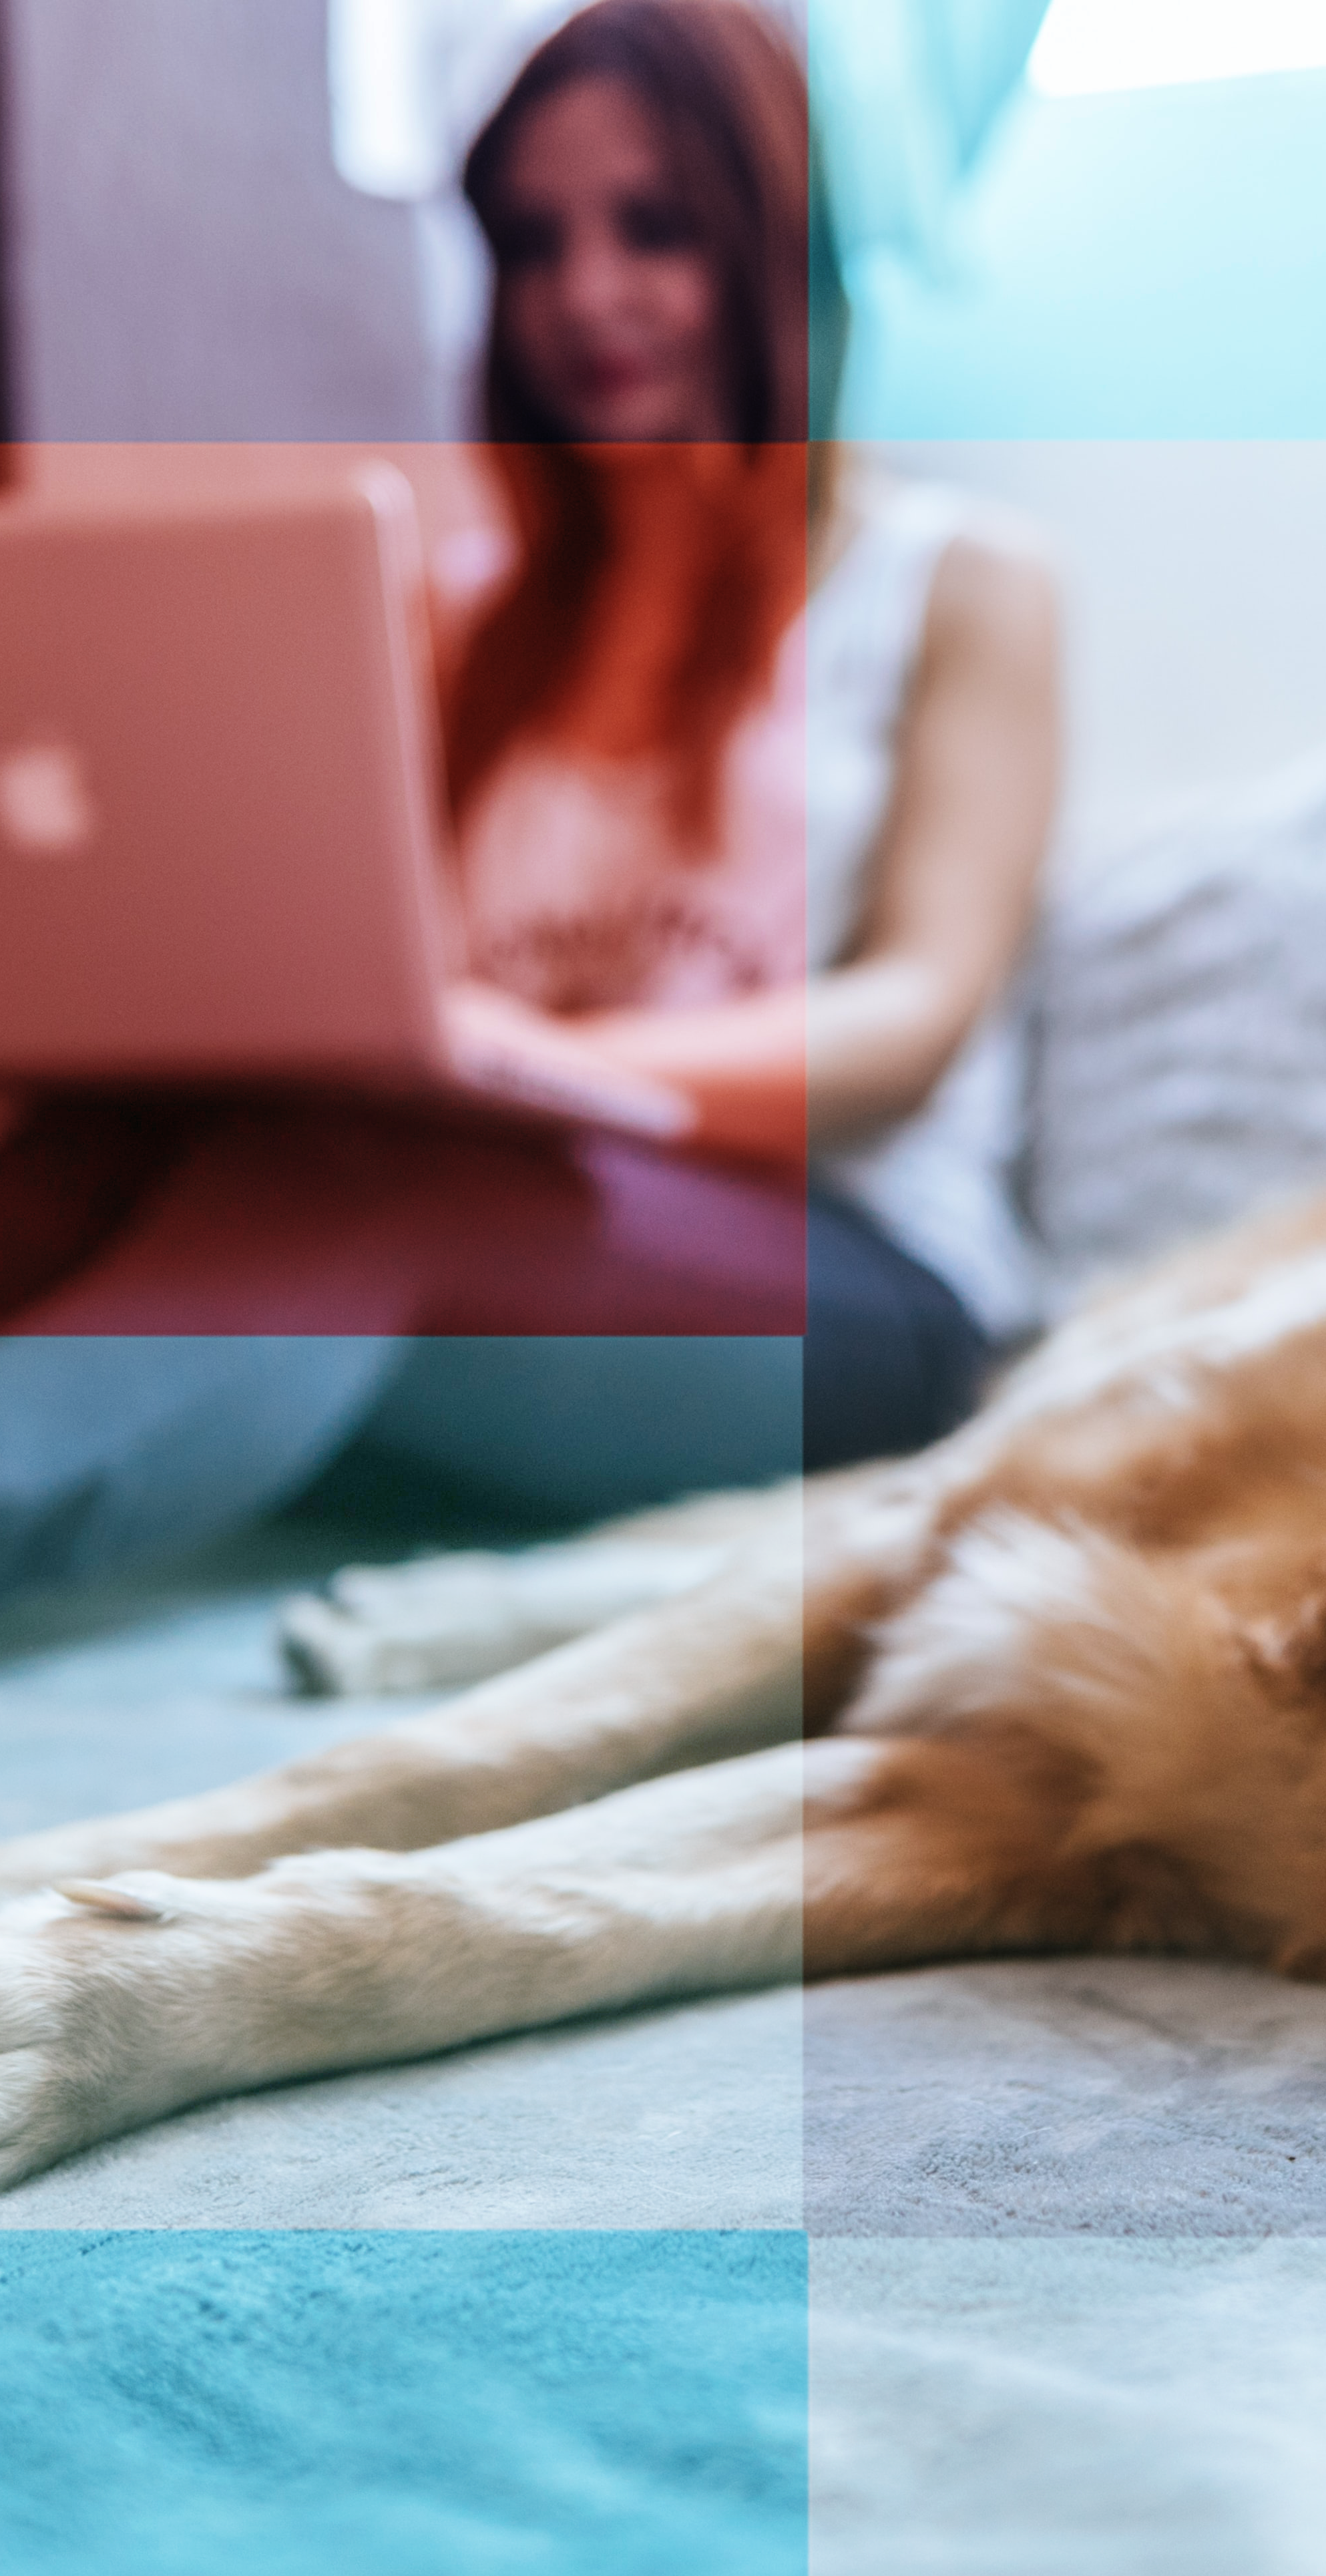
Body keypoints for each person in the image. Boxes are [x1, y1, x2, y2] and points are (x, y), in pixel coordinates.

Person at [0, 0, 1060, 1578]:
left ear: (772, 245)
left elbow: (915, 1021)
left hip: (849, 1288)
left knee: (355, 1200)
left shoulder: (957, 584)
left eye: (654, 230)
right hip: (502, 1198)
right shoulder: (457, 615)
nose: (590, 296)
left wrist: (560, 1062)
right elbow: (369, 975)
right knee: (86, 1161)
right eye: (536, 242)